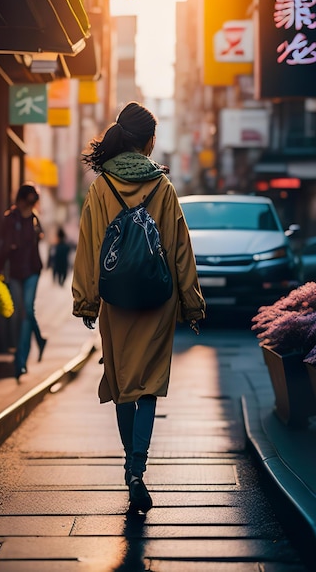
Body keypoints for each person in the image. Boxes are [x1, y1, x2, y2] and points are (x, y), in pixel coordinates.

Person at [72, 101, 206, 514]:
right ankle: (137, 469)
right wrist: (191, 302)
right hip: (157, 300)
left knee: (122, 384)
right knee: (147, 385)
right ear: (148, 141)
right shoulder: (162, 188)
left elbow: (90, 246)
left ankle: (128, 466)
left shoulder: (100, 187)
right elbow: (179, 247)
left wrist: (86, 300)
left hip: (115, 301)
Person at [0, 182, 47, 381]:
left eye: (33, 203)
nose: (30, 206)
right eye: (28, 202)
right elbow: (2, 247)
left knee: (26, 312)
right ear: (21, 200)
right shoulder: (10, 218)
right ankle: (40, 340)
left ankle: (20, 361)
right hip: (15, 272)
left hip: (32, 271)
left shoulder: (34, 219)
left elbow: (39, 239)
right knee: (18, 314)